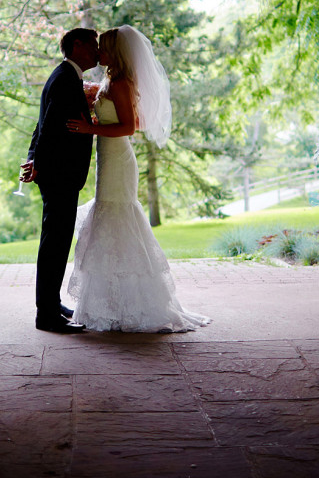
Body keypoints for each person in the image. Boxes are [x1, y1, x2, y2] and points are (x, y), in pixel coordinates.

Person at [65, 25, 211, 332]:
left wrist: (92, 128)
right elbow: (124, 118)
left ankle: (135, 305)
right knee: (109, 218)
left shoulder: (120, 82)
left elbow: (130, 127)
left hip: (118, 157)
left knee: (117, 216)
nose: (98, 52)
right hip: (108, 156)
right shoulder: (111, 80)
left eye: (102, 48)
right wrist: (95, 111)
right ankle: (113, 303)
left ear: (114, 52)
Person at [21, 28, 99, 333]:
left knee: (56, 242)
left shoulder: (65, 75)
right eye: (92, 45)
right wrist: (38, 164)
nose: (96, 52)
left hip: (57, 172)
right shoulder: (66, 77)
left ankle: (51, 305)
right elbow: (51, 126)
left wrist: (32, 158)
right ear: (77, 45)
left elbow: (41, 123)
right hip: (60, 173)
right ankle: (47, 315)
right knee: (55, 244)